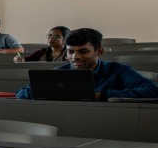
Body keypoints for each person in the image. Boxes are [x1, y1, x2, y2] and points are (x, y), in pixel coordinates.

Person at [15, 28, 158, 100]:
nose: (75, 57)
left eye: (83, 51)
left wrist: (103, 95)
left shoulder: (117, 70)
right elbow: (21, 94)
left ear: (99, 51)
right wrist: (50, 91)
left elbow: (152, 90)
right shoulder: (59, 72)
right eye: (70, 52)